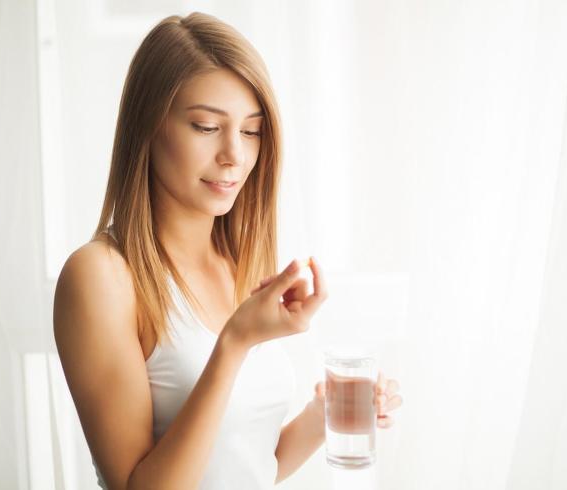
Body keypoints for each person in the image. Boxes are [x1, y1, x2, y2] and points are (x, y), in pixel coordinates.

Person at [53, 11, 402, 490]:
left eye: (252, 130)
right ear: (149, 127)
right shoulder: (101, 276)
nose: (235, 155)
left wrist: (326, 413)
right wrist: (234, 343)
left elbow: (250, 467)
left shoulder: (235, 264)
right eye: (204, 126)